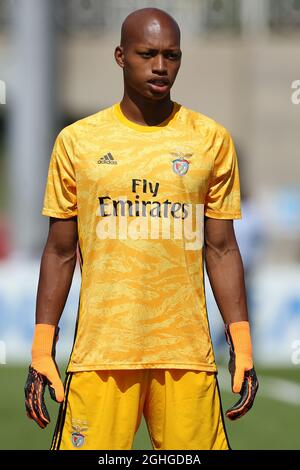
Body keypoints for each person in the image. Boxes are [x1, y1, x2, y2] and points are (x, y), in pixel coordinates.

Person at [24, 7, 258, 450]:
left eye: (171, 55)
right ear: (120, 56)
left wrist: (241, 343)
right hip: (101, 355)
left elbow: (223, 248)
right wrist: (42, 349)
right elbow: (59, 251)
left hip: (187, 356)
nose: (160, 66)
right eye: (147, 54)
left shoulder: (211, 140)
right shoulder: (78, 142)